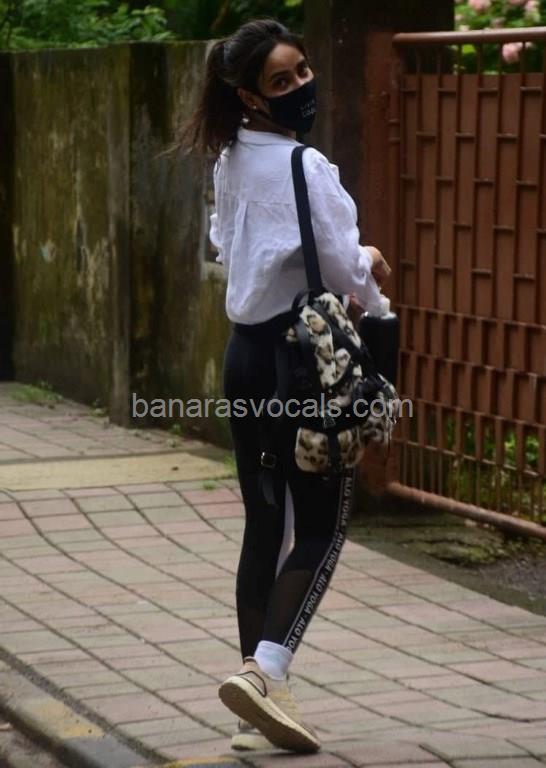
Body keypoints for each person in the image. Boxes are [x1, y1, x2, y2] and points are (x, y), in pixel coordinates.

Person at [174, 17, 391, 754]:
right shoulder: (306, 166)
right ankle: (265, 671)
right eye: (282, 79)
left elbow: (227, 245)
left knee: (266, 524)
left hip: (244, 358)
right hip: (302, 364)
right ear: (250, 95)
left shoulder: (230, 159)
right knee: (323, 526)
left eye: (302, 70)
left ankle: (254, 707)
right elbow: (344, 267)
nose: (301, 85)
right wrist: (372, 275)